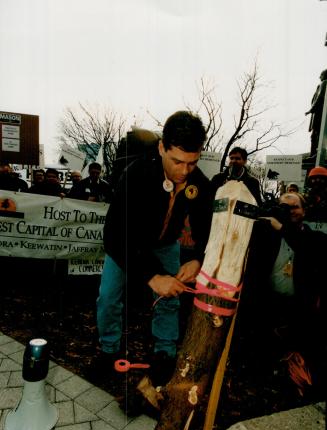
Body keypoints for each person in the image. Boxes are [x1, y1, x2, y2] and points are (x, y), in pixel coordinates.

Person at [95, 111, 213, 386]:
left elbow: (205, 228)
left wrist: (197, 259)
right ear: (162, 147)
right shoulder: (135, 175)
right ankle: (108, 351)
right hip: (126, 244)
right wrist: (152, 276)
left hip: (165, 245)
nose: (184, 171)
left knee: (170, 298)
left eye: (192, 163)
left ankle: (164, 353)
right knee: (109, 298)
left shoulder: (200, 184)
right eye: (177, 161)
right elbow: (113, 235)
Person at [241, 192, 326, 398]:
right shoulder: (267, 234)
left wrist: (281, 227)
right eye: (283, 207)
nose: (288, 211)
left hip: (300, 305)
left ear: (305, 211)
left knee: (299, 352)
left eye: (294, 207)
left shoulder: (316, 238)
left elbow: (307, 248)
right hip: (269, 302)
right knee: (262, 349)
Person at [305, 69, 327, 159]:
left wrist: (311, 109)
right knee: (316, 135)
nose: (319, 77)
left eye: (321, 75)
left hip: (319, 114)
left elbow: (320, 97)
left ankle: (316, 154)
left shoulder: (324, 83)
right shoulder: (322, 84)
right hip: (319, 114)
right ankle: (315, 154)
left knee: (316, 135)